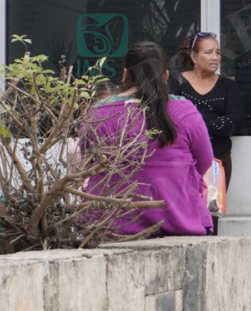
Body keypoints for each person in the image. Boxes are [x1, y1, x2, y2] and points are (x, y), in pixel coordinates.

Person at [83, 41, 214, 236]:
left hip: (109, 226)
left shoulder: (97, 113)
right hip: (179, 223)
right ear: (165, 76)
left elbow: (89, 164)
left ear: (125, 74)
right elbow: (204, 162)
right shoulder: (185, 112)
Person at [170, 31, 244, 188]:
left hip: (218, 157)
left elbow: (235, 121)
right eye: (208, 52)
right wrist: (213, 127)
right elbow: (170, 118)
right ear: (194, 56)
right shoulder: (176, 82)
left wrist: (195, 129)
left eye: (218, 53)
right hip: (182, 156)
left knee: (213, 202)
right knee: (184, 201)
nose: (215, 57)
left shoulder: (228, 86)